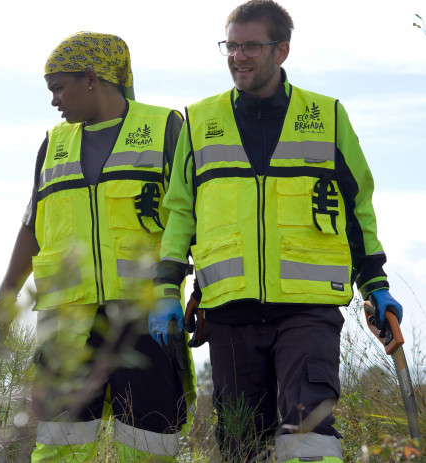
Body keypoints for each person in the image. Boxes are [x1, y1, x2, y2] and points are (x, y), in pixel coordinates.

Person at [154, 1, 403, 462]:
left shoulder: (327, 116)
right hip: (229, 311)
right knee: (241, 443)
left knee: (308, 428)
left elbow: (356, 206)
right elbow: (180, 213)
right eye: (231, 45)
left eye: (250, 46)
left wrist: (376, 284)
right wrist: (168, 288)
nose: (238, 56)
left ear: (281, 50)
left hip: (308, 310)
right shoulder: (199, 121)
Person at [0, 31, 196, 462]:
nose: (53, 102)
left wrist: (203, 295)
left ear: (90, 78)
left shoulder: (166, 129)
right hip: (67, 325)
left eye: (58, 88)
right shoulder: (53, 144)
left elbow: (193, 220)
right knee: (58, 450)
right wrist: (6, 298)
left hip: (146, 319)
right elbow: (33, 226)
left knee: (149, 447)